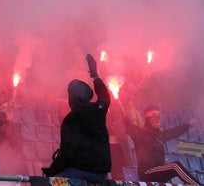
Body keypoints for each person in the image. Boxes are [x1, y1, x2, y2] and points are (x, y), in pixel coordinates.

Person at [42, 54, 111, 183]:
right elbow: (105, 97)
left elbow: (67, 154)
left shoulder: (71, 120)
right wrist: (95, 75)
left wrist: (51, 171)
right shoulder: (98, 110)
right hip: (101, 173)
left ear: (72, 99)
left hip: (82, 171)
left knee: (53, 183)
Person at [123, 105, 203, 185]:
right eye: (154, 115)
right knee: (175, 166)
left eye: (159, 115)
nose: (158, 118)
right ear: (147, 118)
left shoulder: (160, 135)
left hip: (159, 172)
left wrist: (188, 125)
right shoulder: (139, 132)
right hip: (147, 173)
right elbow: (128, 126)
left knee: (174, 166)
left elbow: (174, 131)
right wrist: (124, 114)